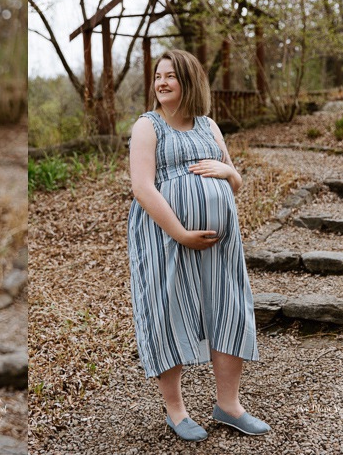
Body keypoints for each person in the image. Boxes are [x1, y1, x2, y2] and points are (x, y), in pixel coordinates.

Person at [127, 49, 270, 442]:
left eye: (170, 75)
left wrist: (228, 171)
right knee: (167, 311)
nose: (161, 82)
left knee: (229, 310)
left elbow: (233, 181)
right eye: (158, 76)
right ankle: (175, 409)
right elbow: (142, 187)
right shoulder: (148, 127)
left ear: (189, 81)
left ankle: (229, 406)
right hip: (165, 239)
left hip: (221, 246)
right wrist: (180, 233)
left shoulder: (209, 126)